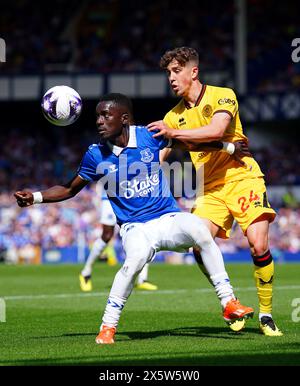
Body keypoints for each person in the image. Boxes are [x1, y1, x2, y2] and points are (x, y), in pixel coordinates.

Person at [15, 93, 253, 345]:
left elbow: (190, 145)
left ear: (124, 118)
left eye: (106, 115)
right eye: (97, 115)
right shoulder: (95, 154)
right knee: (136, 259)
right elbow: (69, 189)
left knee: (199, 229)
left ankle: (228, 302)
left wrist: (229, 147)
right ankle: (108, 327)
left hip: (167, 217)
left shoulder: (149, 136)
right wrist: (36, 197)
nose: (99, 121)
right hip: (135, 227)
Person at [148, 47, 282, 336]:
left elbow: (216, 130)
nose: (171, 78)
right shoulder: (172, 116)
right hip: (209, 187)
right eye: (168, 73)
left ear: (193, 72)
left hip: (241, 176)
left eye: (176, 71)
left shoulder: (223, 94)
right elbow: (159, 157)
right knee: (198, 244)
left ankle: (267, 314)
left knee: (258, 245)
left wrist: (173, 134)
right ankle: (230, 302)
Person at [79, 189, 158, 292]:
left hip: (132, 196)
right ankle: (86, 273)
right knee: (107, 235)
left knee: (143, 231)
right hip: (112, 195)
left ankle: (142, 279)